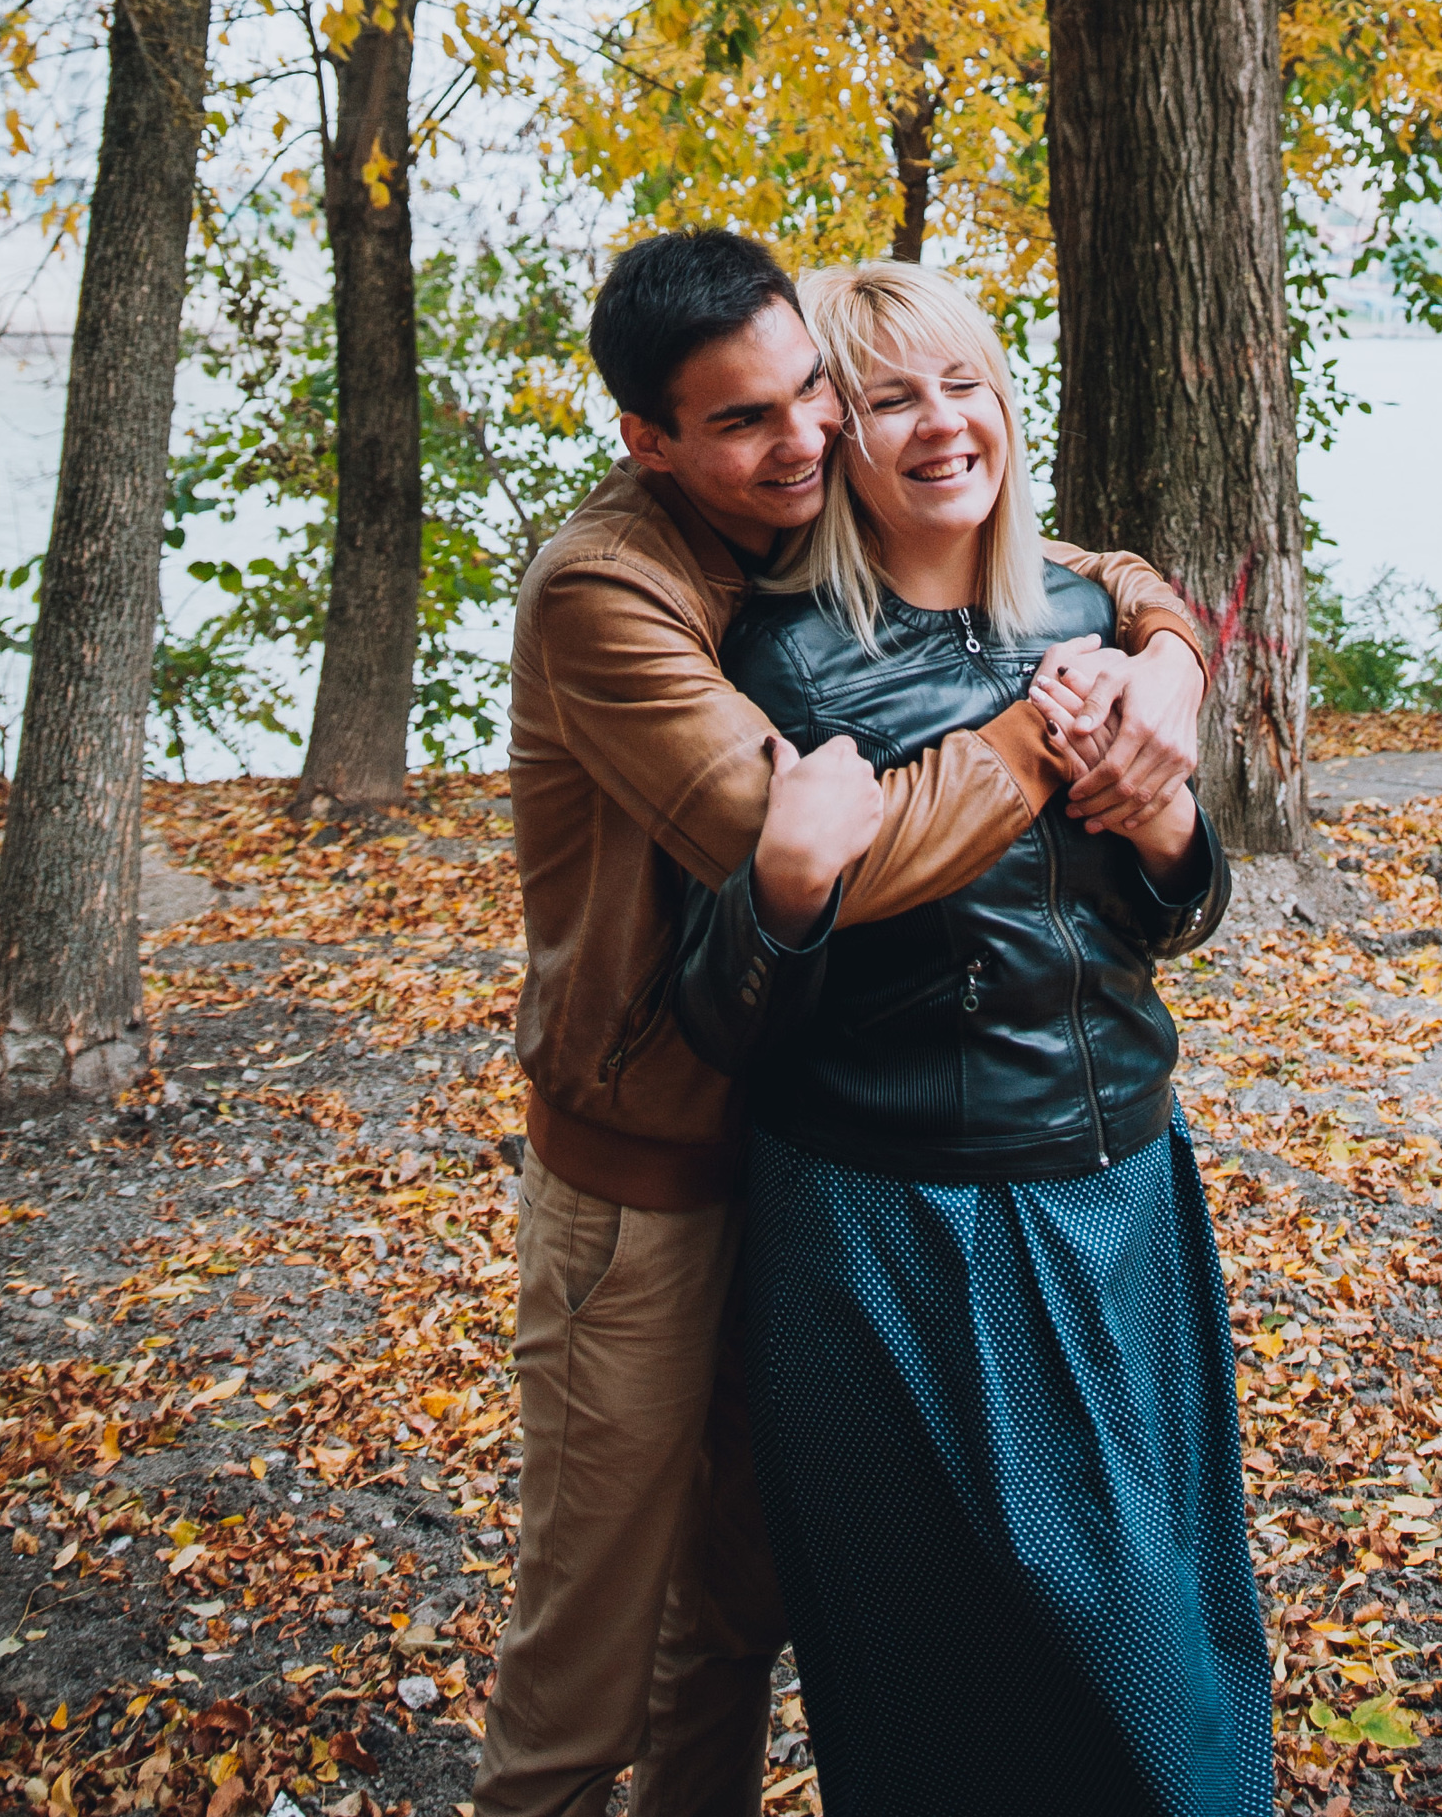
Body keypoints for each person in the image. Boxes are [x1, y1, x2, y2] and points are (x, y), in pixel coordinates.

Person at [476, 226, 1212, 1817]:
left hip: (812, 1156)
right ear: (651, 442)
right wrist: (1046, 728)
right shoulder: (620, 591)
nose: (801, 437)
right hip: (653, 1162)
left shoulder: (807, 523)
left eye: (812, 394)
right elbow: (823, 852)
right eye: (746, 420)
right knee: (592, 1631)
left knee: (737, 1608)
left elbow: (1049, 547)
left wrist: (1168, 652)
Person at [672, 257, 1274, 1817]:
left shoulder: (1082, 620)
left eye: (966, 383)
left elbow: (1157, 923)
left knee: (1175, 1645)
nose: (943, 424)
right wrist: (798, 889)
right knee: (959, 1688)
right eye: (890, 399)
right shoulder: (786, 667)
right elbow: (731, 995)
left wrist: (1163, 828)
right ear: (837, 443)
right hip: (905, 1226)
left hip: (1126, 1195)